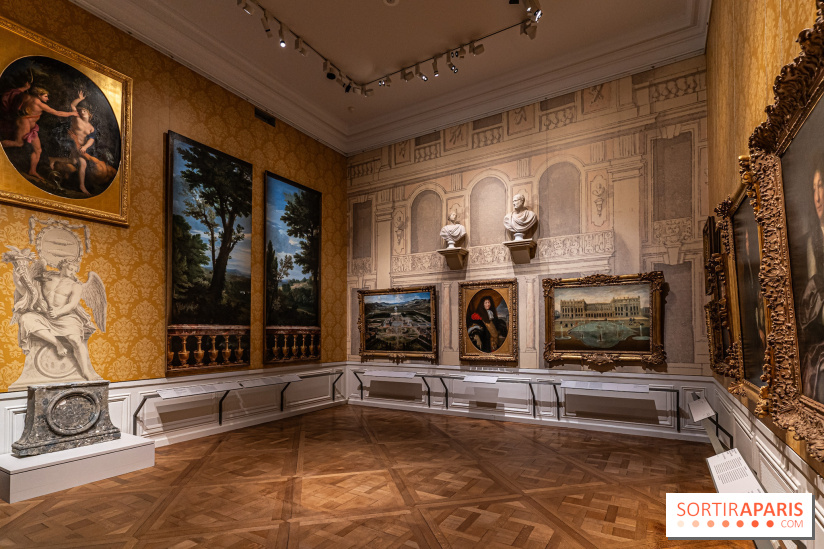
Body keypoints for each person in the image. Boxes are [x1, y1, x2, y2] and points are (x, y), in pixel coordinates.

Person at [17, 258, 100, 380]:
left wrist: (58, 312)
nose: (72, 272)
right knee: (25, 319)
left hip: (65, 317)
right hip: (45, 315)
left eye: (74, 271)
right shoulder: (46, 278)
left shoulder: (75, 286)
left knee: (75, 339)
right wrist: (17, 275)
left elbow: (72, 304)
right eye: (70, 269)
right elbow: (28, 291)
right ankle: (58, 344)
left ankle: (86, 371)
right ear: (63, 266)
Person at [1, 82, 79, 182]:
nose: (47, 98)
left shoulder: (26, 96)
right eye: (45, 96)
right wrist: (72, 113)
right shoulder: (39, 104)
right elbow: (57, 113)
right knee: (19, 143)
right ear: (39, 95)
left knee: (38, 150)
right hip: (24, 122)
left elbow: (15, 93)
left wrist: (25, 87)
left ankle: (32, 170)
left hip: (32, 127)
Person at [48, 91, 97, 195]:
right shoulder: (76, 117)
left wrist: (85, 147)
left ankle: (54, 159)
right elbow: (72, 105)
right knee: (83, 163)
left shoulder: (91, 128)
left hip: (81, 146)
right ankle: (82, 186)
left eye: (84, 110)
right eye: (81, 110)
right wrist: (79, 99)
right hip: (71, 142)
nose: (82, 112)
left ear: (89, 114)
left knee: (74, 161)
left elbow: (91, 139)